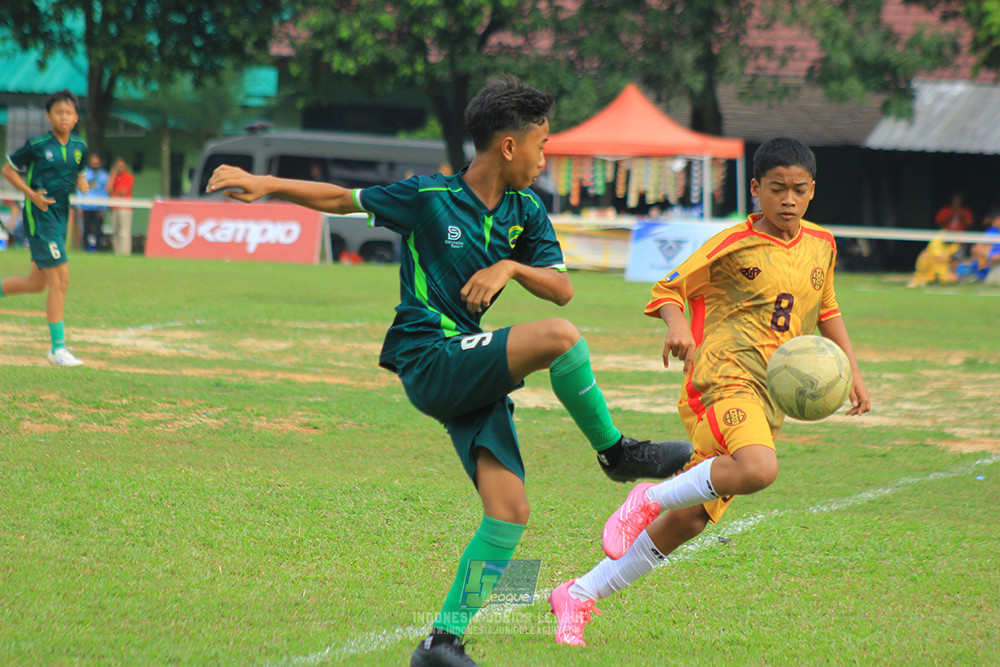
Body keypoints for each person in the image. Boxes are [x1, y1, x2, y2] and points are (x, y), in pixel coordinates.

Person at [206, 74, 693, 667]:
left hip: (471, 363)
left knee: (510, 512)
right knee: (562, 342)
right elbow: (341, 198)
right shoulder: (429, 198)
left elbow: (562, 289)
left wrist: (510, 267)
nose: (545, 160)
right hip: (429, 356)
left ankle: (441, 642)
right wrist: (264, 183)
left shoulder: (526, 212)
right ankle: (618, 454)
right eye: (541, 146)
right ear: (509, 146)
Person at [548, 137, 872, 647]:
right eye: (777, 189)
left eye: (799, 190)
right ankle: (646, 497)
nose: (788, 199)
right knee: (758, 469)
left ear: (812, 192)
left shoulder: (822, 245)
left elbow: (826, 309)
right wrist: (677, 327)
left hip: (769, 399)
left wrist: (851, 370)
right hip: (721, 379)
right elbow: (667, 290)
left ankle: (579, 594)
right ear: (755, 189)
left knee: (691, 520)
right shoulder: (731, 245)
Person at [1, 90, 89, 366]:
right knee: (61, 280)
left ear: (75, 118)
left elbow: (78, 171)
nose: (64, 117)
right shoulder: (37, 144)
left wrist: (83, 182)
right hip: (40, 216)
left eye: (69, 113)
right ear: (49, 116)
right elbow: (8, 170)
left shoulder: (79, 147)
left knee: (36, 284)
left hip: (60, 218)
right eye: (59, 112)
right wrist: (31, 194)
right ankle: (57, 350)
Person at [77, 152, 109, 251]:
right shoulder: (85, 174)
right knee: (85, 230)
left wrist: (104, 208)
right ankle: (85, 248)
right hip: (86, 206)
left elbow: (106, 192)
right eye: (93, 163)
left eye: (97, 163)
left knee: (98, 230)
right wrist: (79, 206)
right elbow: (79, 190)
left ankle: (98, 249)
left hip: (99, 207)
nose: (95, 165)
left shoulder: (104, 175)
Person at [108, 157, 134, 256]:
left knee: (124, 232)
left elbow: (123, 191)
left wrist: (113, 194)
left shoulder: (128, 177)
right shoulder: (113, 177)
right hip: (114, 207)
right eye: (118, 166)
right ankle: (117, 253)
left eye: (121, 166)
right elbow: (108, 189)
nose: (120, 168)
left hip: (125, 208)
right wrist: (112, 177)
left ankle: (125, 253)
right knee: (115, 232)